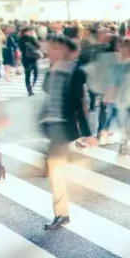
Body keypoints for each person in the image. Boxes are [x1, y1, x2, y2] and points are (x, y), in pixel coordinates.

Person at [39, 35, 94, 229]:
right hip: (52, 126)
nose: (50, 52)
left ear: (64, 50)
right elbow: (46, 90)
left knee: (55, 171)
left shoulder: (74, 71)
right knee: (53, 168)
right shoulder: (53, 70)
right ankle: (77, 161)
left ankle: (62, 213)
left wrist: (86, 132)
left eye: (55, 48)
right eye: (50, 48)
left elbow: (79, 103)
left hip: (63, 127)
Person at [17, 26, 41, 95]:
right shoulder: (22, 38)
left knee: (33, 73)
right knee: (29, 74)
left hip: (31, 58)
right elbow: (21, 48)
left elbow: (37, 47)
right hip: (27, 58)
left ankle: (31, 87)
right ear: (26, 32)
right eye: (30, 31)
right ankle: (30, 89)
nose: (31, 32)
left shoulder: (32, 38)